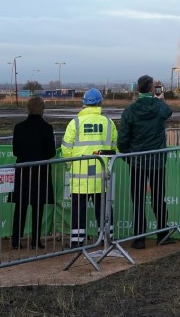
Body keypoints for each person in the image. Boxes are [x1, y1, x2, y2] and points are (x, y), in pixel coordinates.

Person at [118, 74, 173, 250]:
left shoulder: (130, 111)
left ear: (137, 89)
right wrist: (160, 99)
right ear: (151, 89)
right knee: (159, 198)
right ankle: (162, 234)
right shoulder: (159, 107)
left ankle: (139, 238)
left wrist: (129, 156)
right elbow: (168, 112)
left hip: (137, 161)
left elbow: (122, 140)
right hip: (156, 161)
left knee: (138, 200)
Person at [61, 88, 117, 248]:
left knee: (79, 210)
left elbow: (66, 149)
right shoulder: (108, 122)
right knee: (104, 208)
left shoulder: (75, 123)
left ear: (84, 103)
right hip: (101, 174)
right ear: (100, 103)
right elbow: (115, 147)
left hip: (80, 176)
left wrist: (69, 164)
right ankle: (108, 239)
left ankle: (77, 242)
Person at [10, 96, 57, 249]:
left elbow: (15, 150)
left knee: (20, 206)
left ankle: (16, 239)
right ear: (43, 109)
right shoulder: (47, 128)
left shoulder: (18, 127)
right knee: (38, 206)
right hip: (41, 171)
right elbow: (51, 152)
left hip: (23, 170)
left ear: (27, 109)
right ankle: (36, 240)